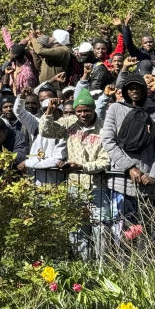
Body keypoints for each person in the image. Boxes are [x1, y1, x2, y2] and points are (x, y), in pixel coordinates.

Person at [38, 88, 113, 259]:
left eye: (87, 110)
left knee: (101, 229)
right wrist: (49, 111)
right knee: (77, 229)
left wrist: (82, 166)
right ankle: (84, 265)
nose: (83, 114)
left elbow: (105, 161)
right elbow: (45, 131)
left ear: (93, 109)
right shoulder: (69, 123)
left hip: (97, 187)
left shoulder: (104, 129)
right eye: (79, 111)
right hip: (75, 187)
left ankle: (103, 268)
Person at [101, 72, 155, 225]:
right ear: (125, 90)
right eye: (130, 88)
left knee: (148, 231)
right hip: (121, 181)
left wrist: (153, 175)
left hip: (148, 183)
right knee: (122, 231)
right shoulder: (115, 108)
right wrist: (130, 167)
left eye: (138, 87)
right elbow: (108, 141)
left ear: (144, 89)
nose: (134, 91)